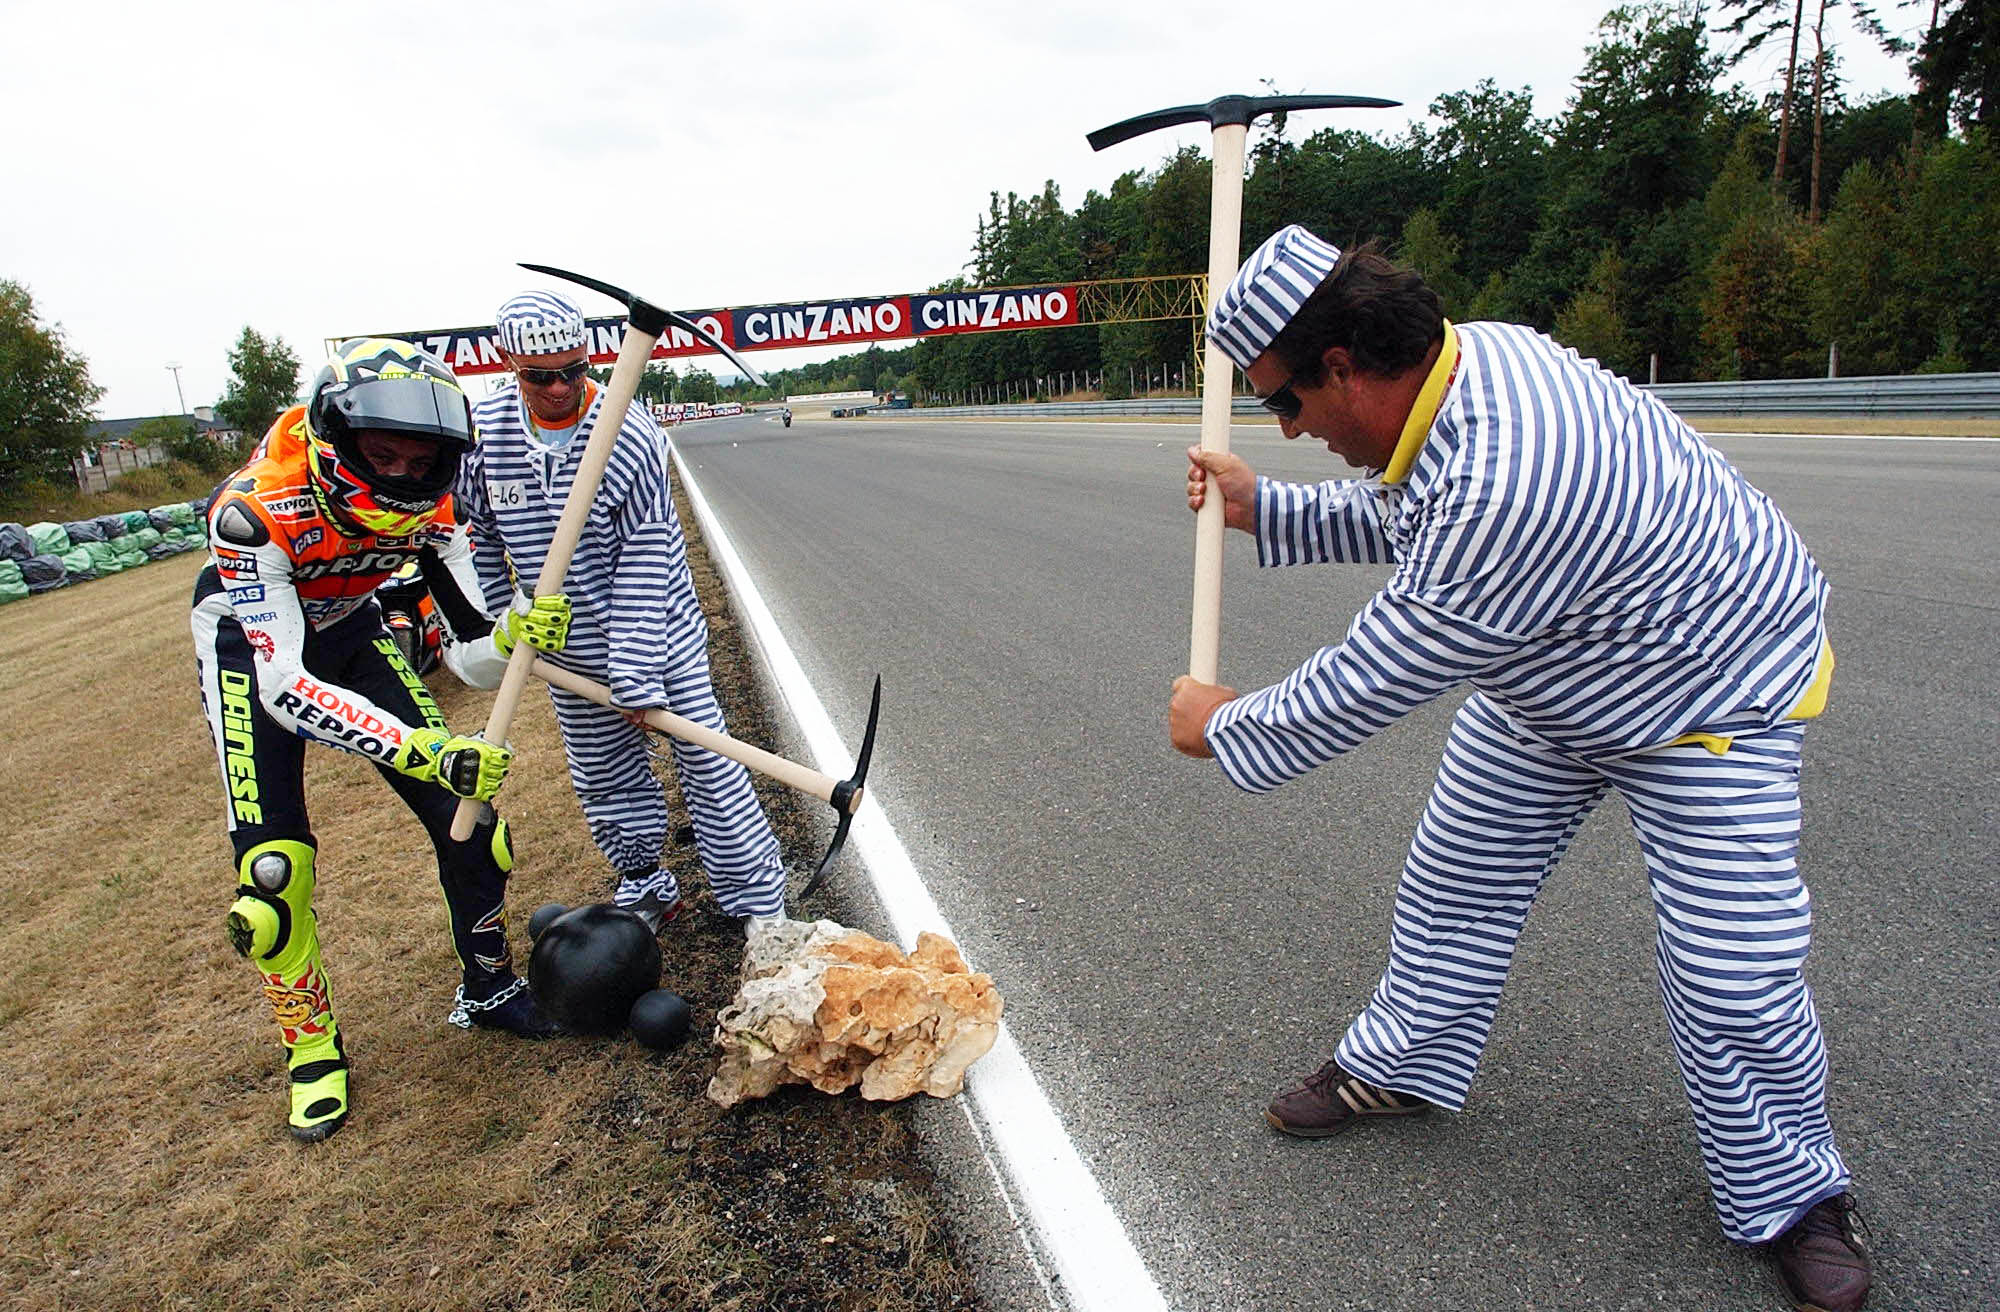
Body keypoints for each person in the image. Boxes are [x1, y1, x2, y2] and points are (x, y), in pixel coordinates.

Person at [1170, 226, 1869, 1312]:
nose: (1289, 428)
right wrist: (1270, 502)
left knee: (1734, 970)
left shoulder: (1509, 476)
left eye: (1284, 404)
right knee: (1452, 881)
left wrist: (1223, 723)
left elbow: (1378, 668)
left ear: (1344, 367)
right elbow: (1416, 515)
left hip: (1703, 686)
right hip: (1551, 661)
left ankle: (1791, 1195)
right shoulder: (1460, 368)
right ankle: (1398, 1066)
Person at [193, 338, 575, 1143]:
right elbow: (287, 690)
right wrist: (422, 749)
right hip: (252, 656)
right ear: (339, 438)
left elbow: (470, 656)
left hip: (355, 635)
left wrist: (514, 633)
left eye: (422, 458)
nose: (405, 474)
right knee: (270, 877)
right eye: (384, 453)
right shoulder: (251, 513)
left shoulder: (437, 512)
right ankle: (311, 1052)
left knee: (472, 822)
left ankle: (489, 986)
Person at [453, 290, 788, 932]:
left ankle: (756, 905)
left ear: (588, 357)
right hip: (562, 644)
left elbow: (648, 555)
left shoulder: (629, 432)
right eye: (539, 376)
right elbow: (480, 538)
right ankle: (645, 882)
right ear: (509, 363)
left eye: (573, 370)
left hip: (658, 632)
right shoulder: (485, 434)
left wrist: (637, 672)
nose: (559, 387)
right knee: (603, 771)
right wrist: (506, 632)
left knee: (708, 762)